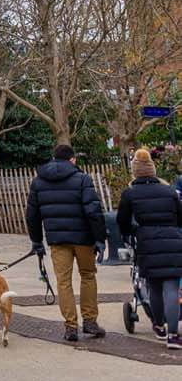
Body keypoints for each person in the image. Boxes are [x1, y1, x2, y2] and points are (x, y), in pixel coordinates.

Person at [26, 143, 107, 341]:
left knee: (64, 282)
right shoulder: (82, 179)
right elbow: (93, 211)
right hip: (83, 239)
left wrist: (37, 241)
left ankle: (70, 326)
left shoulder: (38, 182)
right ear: (73, 160)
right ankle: (90, 321)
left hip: (57, 240)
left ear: (54, 159)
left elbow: (32, 215)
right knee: (88, 275)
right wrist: (99, 238)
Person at [116, 148, 182, 349]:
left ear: (135, 171)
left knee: (153, 285)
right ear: (153, 170)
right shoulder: (169, 190)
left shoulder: (130, 193)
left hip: (146, 241)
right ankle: (173, 335)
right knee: (171, 287)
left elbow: (122, 221)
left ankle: (159, 326)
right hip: (172, 239)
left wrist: (132, 233)